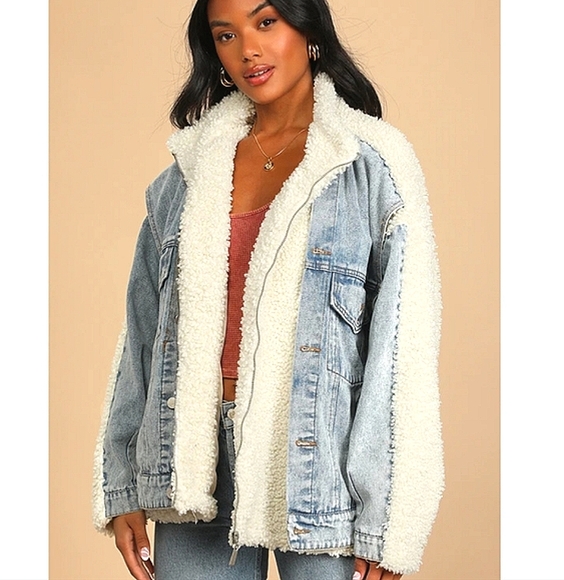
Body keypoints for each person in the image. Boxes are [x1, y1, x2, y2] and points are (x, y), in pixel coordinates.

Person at [92, 0, 444, 578]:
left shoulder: (370, 166)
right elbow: (142, 338)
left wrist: (390, 516)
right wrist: (124, 483)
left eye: (265, 22)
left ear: (307, 27)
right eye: (226, 35)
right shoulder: (186, 174)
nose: (248, 49)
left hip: (320, 461)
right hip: (195, 460)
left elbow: (402, 350)